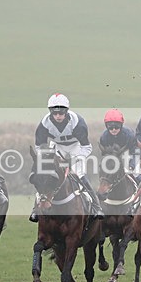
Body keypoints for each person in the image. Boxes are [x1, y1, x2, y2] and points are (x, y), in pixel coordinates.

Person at [29, 93, 104, 222]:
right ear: (50, 112)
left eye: (61, 112)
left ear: (67, 111)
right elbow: (38, 147)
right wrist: (45, 160)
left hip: (76, 148)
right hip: (57, 148)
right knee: (44, 175)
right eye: (55, 113)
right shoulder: (44, 124)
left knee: (80, 175)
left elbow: (87, 147)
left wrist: (76, 160)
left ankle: (97, 207)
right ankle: (36, 209)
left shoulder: (78, 123)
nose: (58, 116)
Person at [99, 108, 139, 176]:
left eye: (116, 127)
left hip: (129, 155)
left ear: (121, 125)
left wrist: (131, 166)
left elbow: (135, 153)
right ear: (106, 127)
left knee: (136, 174)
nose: (114, 130)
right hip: (115, 157)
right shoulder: (104, 137)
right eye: (110, 128)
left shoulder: (129, 135)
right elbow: (105, 155)